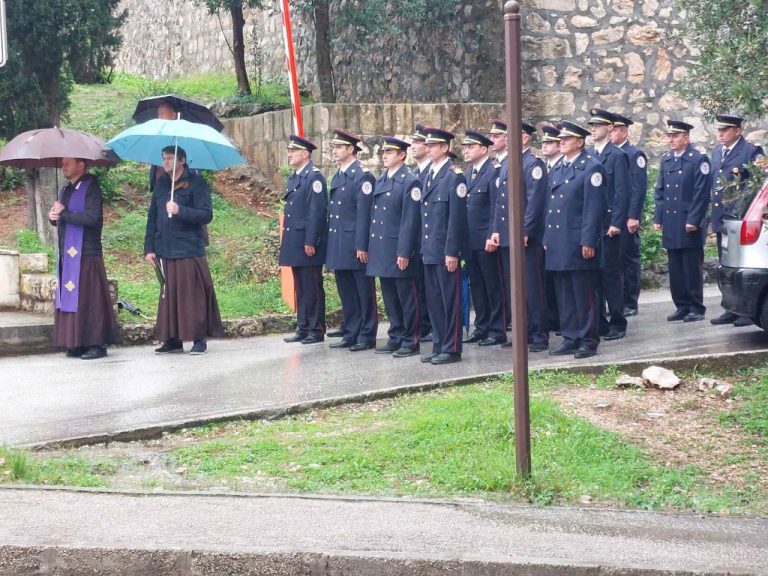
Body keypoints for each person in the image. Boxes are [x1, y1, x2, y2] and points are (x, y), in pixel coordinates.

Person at [144, 146, 224, 354]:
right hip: (166, 248)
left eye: (170, 158)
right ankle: (173, 338)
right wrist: (149, 248)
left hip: (189, 248)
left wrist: (180, 210)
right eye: (164, 159)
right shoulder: (161, 185)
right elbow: (152, 218)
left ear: (182, 161)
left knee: (192, 295)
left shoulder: (196, 183)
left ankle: (199, 338)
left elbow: (206, 215)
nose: (165, 163)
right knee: (169, 296)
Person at [544, 121, 607, 359]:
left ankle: (588, 339)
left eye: (566, 139)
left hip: (579, 240)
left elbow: (593, 209)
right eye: (560, 139)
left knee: (583, 292)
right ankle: (571, 336)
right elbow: (551, 206)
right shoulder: (559, 167)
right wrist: (547, 237)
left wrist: (589, 241)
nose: (561, 142)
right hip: (559, 240)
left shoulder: (592, 168)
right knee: (564, 292)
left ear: (580, 142)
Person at [48, 157, 117, 359]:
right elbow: (62, 219)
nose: (63, 166)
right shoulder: (65, 189)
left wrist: (65, 213)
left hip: (87, 252)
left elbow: (91, 218)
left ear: (81, 165)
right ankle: (76, 341)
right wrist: (54, 218)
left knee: (90, 300)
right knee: (74, 299)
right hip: (67, 253)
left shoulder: (92, 186)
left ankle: (96, 343)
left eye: (68, 163)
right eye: (63, 163)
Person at [367, 136, 422, 357]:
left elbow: (411, 221)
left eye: (389, 152)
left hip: (399, 249)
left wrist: (404, 251)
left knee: (407, 297)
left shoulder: (409, 181)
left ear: (401, 155)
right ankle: (396, 335)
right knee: (390, 296)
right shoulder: (381, 180)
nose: (384, 155)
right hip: (382, 249)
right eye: (383, 152)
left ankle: (411, 339)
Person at [709, 114, 764, 326]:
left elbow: (756, 184)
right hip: (723, 218)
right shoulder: (717, 153)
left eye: (726, 130)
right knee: (726, 265)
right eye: (719, 130)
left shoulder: (751, 151)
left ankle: (746, 313)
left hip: (740, 219)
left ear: (738, 131)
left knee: (741, 265)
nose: (721, 134)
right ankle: (730, 307)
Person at [325, 129, 378, 351]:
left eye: (339, 147)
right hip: (339, 241)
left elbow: (364, 214)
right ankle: (352, 331)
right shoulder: (339, 175)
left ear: (351, 149)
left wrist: (361, 245)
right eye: (334, 147)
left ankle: (367, 334)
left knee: (363, 291)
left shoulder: (362, 175)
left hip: (355, 243)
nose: (334, 151)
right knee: (346, 289)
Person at [653, 120, 711, 323]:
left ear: (686, 138)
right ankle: (682, 305)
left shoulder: (698, 159)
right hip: (671, 220)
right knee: (675, 265)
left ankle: (696, 306)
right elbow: (660, 191)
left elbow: (701, 194)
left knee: (690, 266)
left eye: (675, 135)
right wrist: (658, 217)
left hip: (688, 221)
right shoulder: (667, 159)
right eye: (669, 136)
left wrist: (694, 219)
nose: (671, 139)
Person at [420, 127, 468, 365]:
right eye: (427, 145)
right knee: (435, 301)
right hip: (430, 249)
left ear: (445, 148)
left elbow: (456, 219)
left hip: (444, 250)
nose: (427, 148)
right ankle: (439, 343)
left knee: (450, 300)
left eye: (432, 145)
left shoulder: (454, 176)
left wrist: (452, 251)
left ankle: (452, 347)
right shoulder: (429, 174)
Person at [279, 135, 328, 344]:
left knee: (312, 286)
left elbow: (316, 212)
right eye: (289, 151)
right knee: (300, 285)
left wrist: (311, 241)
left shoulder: (314, 178)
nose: (289, 154)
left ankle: (316, 328)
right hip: (294, 239)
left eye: (293, 151)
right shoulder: (295, 177)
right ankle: (303, 325)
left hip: (307, 241)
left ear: (305, 154)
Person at [587, 108, 630, 341]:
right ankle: (600, 321)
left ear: (610, 128)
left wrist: (617, 222)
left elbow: (623, 192)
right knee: (594, 275)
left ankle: (617, 320)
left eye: (598, 125)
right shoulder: (590, 155)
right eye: (591, 126)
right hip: (595, 226)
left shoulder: (616, 156)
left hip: (609, 226)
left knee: (610, 275)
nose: (593, 129)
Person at [461, 129, 506, 347]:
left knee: (492, 285)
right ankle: (482, 326)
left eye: (470, 147)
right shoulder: (470, 173)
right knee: (477, 285)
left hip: (486, 240)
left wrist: (492, 234)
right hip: (470, 240)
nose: (466, 151)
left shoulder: (494, 171)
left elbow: (497, 206)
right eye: (465, 147)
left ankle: (497, 329)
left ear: (483, 149)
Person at [608, 112, 648, 318]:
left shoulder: (634, 154)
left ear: (624, 132)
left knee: (629, 260)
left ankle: (630, 301)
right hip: (614, 214)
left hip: (626, 217)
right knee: (615, 261)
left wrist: (633, 216)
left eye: (615, 130)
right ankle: (618, 300)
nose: (611, 133)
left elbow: (637, 188)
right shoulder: (611, 154)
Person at [485, 118, 510, 331]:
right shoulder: (498, 166)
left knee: (501, 284)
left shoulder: (509, 164)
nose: (492, 139)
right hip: (498, 233)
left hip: (508, 234)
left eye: (496, 136)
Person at [410, 123, 433, 343]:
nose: (413, 146)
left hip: (429, 238)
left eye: (418, 142)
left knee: (430, 286)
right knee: (419, 284)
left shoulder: (432, 173)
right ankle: (424, 323)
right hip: (416, 239)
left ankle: (431, 325)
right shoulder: (415, 174)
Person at [540, 124, 563, 334]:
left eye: (550, 142)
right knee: (549, 280)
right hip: (547, 232)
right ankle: (554, 319)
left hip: (562, 233)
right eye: (544, 142)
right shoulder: (546, 167)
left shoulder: (561, 167)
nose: (545, 146)